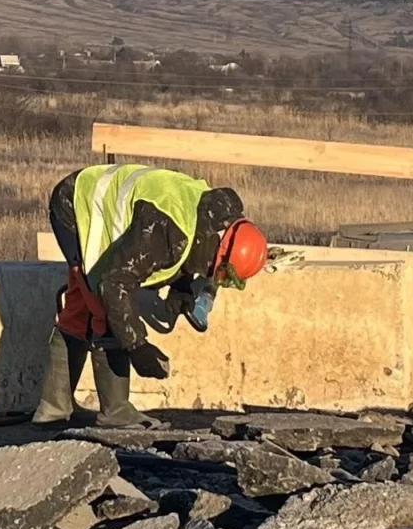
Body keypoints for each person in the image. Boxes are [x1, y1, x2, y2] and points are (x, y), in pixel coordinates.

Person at [31, 162, 268, 427]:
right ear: (221, 249)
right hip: (76, 208)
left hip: (87, 196)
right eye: (223, 273)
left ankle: (53, 408)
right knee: (102, 307)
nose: (216, 279)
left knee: (80, 304)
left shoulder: (209, 216)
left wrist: (182, 285)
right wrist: (137, 346)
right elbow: (114, 285)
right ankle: (116, 410)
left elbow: (186, 245)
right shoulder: (167, 228)